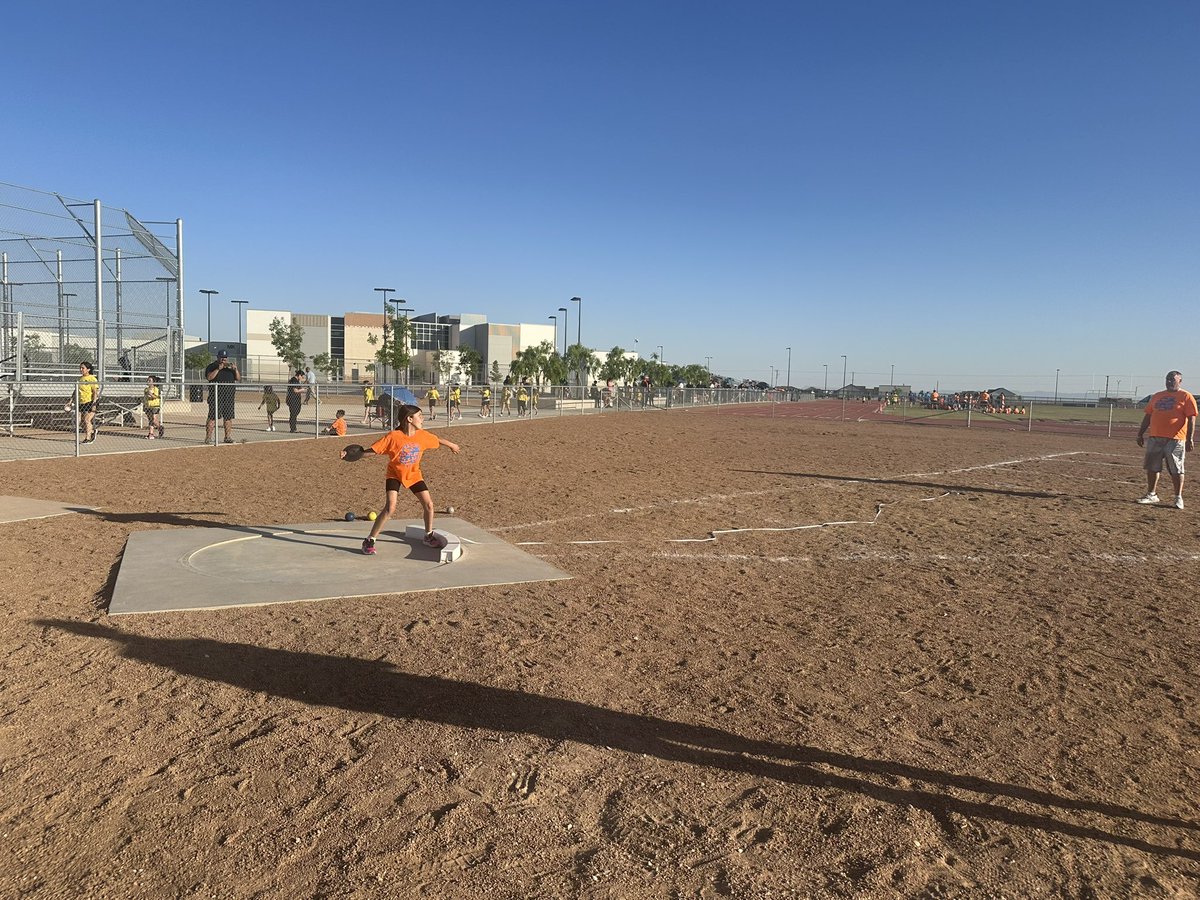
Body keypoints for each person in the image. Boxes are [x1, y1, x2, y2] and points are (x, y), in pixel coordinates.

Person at [341, 404, 461, 555]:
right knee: (390, 508)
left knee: (429, 505)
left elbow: (437, 440)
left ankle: (428, 535)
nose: (422, 419)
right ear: (409, 419)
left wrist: (452, 445)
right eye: (420, 416)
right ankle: (370, 539)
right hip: (395, 475)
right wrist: (350, 455)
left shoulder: (422, 435)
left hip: (414, 475)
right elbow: (373, 451)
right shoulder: (393, 437)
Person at [1136, 370, 1197, 509]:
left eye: (1172, 379)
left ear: (1179, 381)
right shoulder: (1157, 396)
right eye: (1167, 379)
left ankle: (1178, 497)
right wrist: (1140, 433)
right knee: (1152, 467)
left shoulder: (1186, 396)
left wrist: (1190, 439)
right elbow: (1148, 416)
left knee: (1176, 469)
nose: (1169, 382)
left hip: (1175, 439)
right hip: (1155, 438)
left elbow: (1192, 418)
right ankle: (1151, 494)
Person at [204, 350, 240, 444]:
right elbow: (209, 377)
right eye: (222, 358)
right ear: (218, 357)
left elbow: (238, 378)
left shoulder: (230, 368)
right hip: (216, 397)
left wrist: (235, 369)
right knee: (212, 417)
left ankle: (227, 437)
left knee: (228, 418)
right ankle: (208, 438)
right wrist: (218, 369)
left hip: (228, 397)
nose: (224, 360)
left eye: (225, 358)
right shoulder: (212, 366)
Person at [69, 361, 100, 443]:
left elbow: (95, 392)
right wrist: (70, 401)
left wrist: (94, 403)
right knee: (81, 421)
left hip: (90, 401)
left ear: (88, 369)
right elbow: (76, 391)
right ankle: (92, 431)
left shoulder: (91, 378)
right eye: (80, 368)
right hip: (81, 402)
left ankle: (88, 438)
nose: (81, 369)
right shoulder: (80, 379)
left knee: (87, 420)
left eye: (83, 368)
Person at [143, 375, 162, 439]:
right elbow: (145, 397)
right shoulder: (146, 389)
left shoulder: (155, 389)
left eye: (150, 380)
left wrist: (151, 394)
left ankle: (160, 427)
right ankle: (151, 434)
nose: (148, 381)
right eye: (148, 380)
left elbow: (155, 397)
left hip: (155, 405)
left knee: (154, 419)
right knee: (150, 420)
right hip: (148, 406)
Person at [286, 369, 305, 433]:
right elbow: (295, 390)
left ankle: (294, 428)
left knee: (296, 412)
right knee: (293, 414)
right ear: (299, 375)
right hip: (293, 400)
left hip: (296, 400)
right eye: (302, 376)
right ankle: (293, 428)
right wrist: (302, 390)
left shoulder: (297, 381)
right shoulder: (293, 380)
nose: (302, 378)